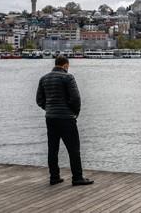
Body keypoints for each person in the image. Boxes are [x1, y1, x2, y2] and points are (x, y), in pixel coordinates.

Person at [36, 55, 93, 186]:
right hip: (66, 118)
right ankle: (77, 177)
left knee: (52, 148)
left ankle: (54, 177)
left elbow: (39, 100)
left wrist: (49, 108)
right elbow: (75, 98)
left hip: (50, 118)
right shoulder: (68, 77)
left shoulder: (44, 79)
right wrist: (74, 113)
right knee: (73, 149)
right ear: (65, 65)